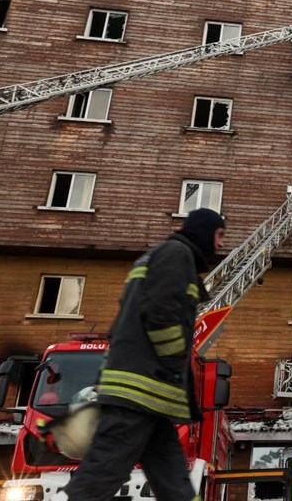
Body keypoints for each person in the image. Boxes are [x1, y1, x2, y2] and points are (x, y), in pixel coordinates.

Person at [64, 208, 226, 501]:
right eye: (219, 235)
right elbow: (160, 313)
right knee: (103, 471)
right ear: (203, 231)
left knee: (173, 478)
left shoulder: (158, 257)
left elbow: (129, 316)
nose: (221, 244)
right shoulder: (177, 256)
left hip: (149, 395)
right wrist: (174, 363)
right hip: (141, 389)